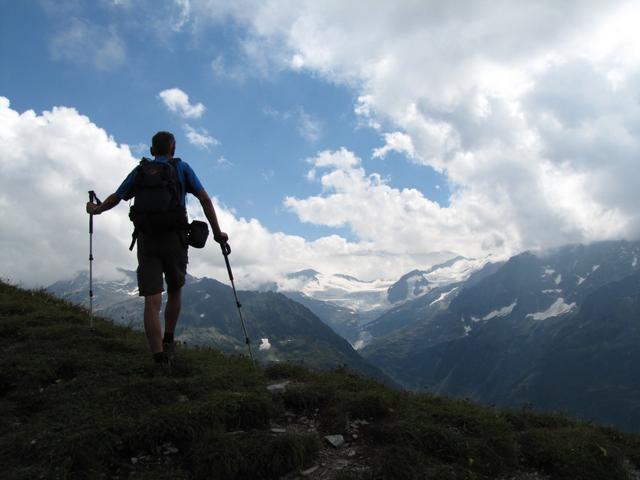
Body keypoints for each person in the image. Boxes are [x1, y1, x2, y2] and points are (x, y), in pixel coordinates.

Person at [86, 131, 228, 371]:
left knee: (151, 300)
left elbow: (117, 197)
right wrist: (217, 233)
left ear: (152, 150)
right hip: (175, 238)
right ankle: (169, 339)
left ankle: (158, 358)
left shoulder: (141, 171)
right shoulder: (181, 168)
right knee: (174, 289)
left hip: (147, 239)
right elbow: (204, 199)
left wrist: (96, 210)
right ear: (173, 148)